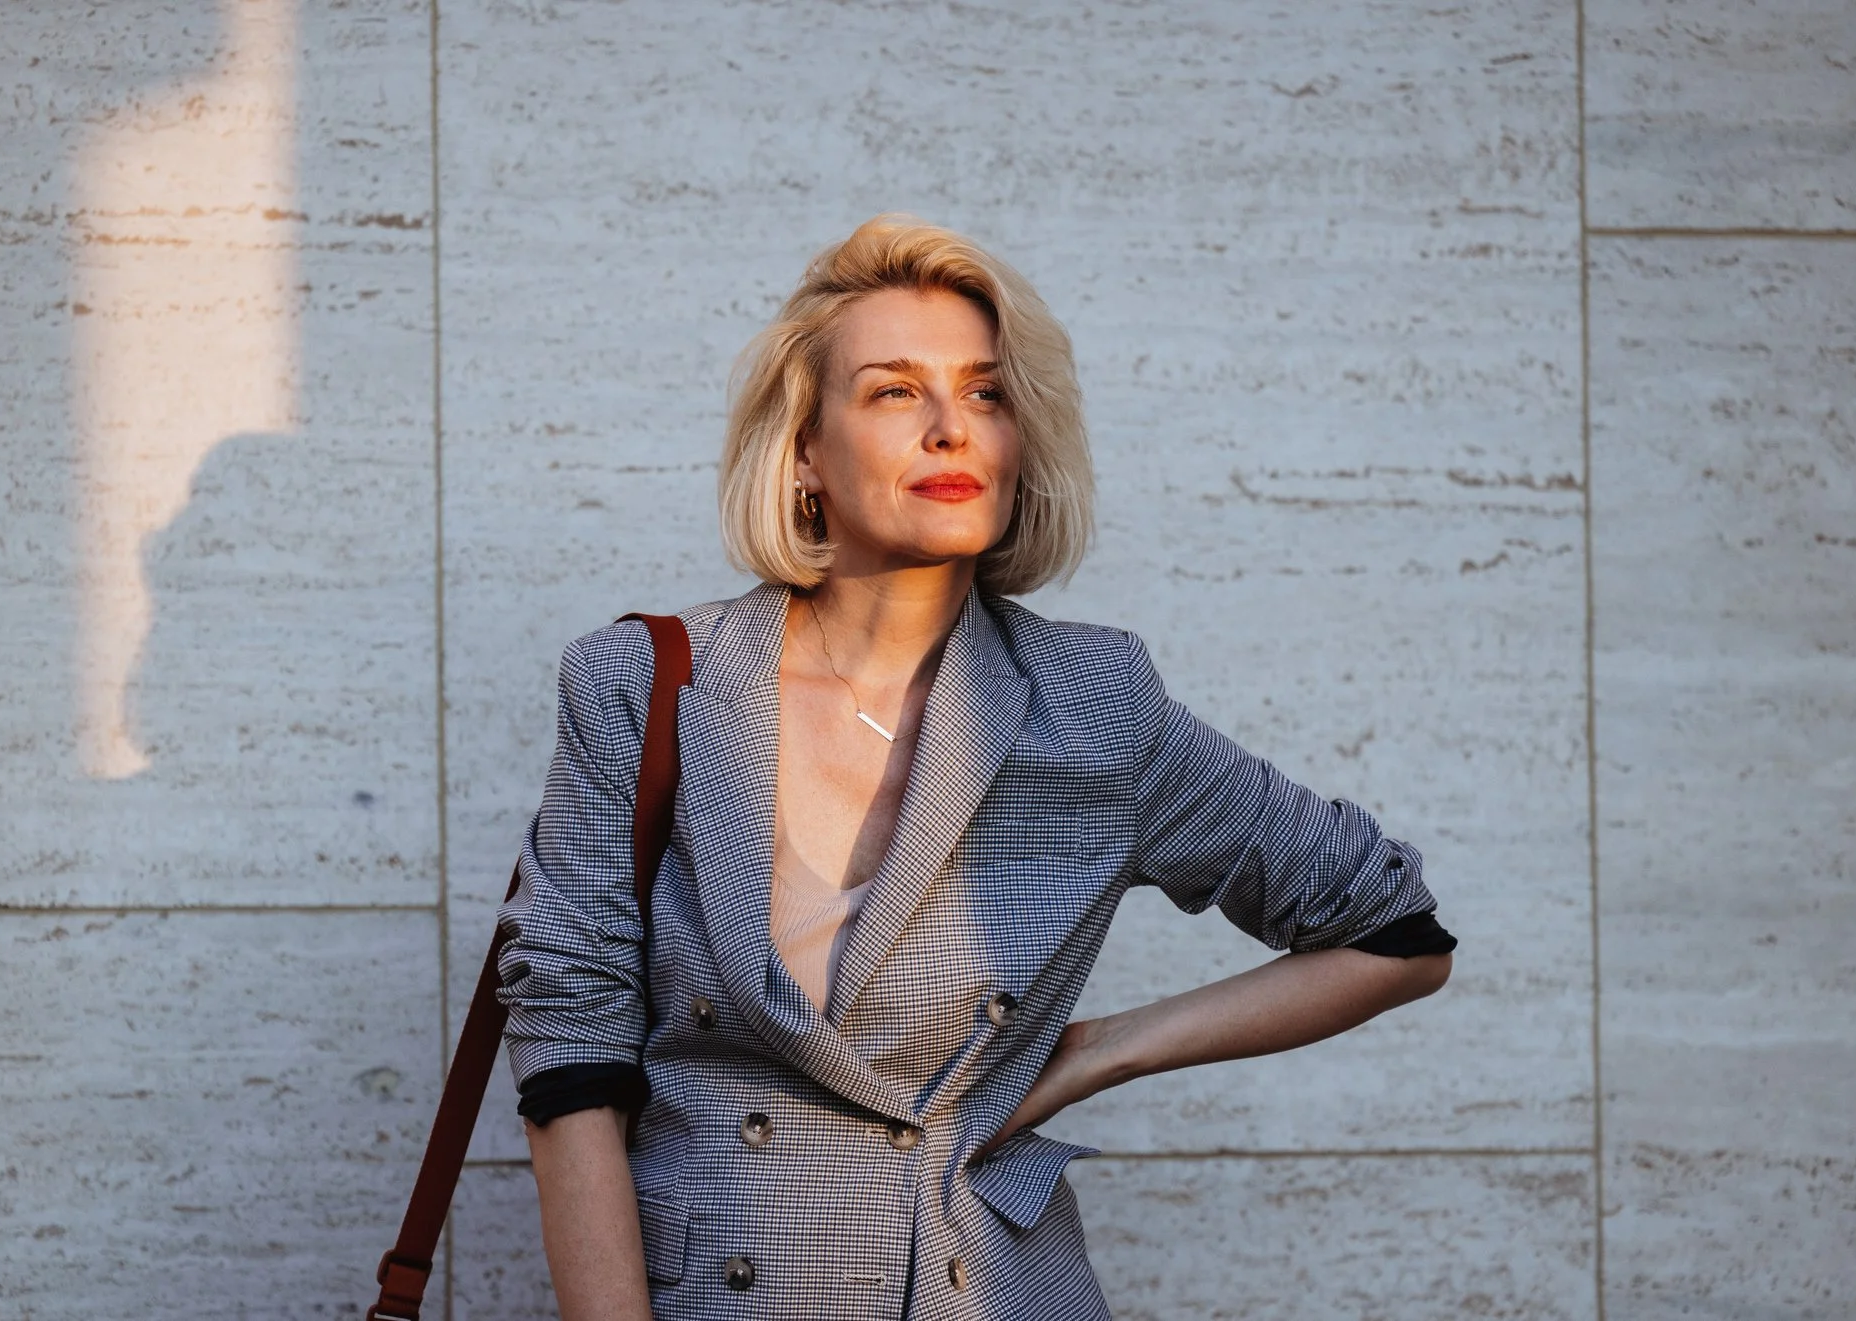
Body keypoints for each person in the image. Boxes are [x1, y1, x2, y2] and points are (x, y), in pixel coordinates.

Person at [495, 214, 1457, 1320]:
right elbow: (570, 1049)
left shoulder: (1096, 706)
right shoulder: (646, 683)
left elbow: (1398, 933)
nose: (953, 428)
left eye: (987, 394)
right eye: (896, 391)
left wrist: (1103, 1050)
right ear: (805, 449)